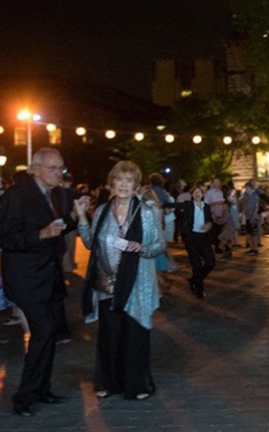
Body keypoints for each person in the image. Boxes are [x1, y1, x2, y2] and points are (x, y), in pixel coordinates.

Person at [0, 147, 82, 416]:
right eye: (53, 168)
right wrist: (40, 234)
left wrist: (73, 219)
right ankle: (24, 397)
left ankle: (42, 390)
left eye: (61, 168)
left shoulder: (54, 194)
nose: (59, 173)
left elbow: (54, 228)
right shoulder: (17, 195)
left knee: (48, 335)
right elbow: (5, 238)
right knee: (44, 332)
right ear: (35, 169)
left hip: (47, 275)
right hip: (25, 278)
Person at [76, 161, 165, 401]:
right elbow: (89, 243)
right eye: (120, 180)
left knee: (134, 335)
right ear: (112, 183)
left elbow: (159, 246)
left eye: (129, 181)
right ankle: (108, 382)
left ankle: (137, 385)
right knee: (109, 335)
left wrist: (142, 248)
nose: (124, 185)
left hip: (136, 285)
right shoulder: (102, 211)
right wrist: (82, 217)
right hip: (107, 285)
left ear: (136, 186)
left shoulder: (145, 212)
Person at [172, 184, 215, 299]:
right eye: (194, 192)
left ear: (202, 194)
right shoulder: (188, 205)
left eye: (199, 192)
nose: (197, 194)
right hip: (191, 238)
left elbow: (210, 220)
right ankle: (199, 290)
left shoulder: (206, 207)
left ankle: (194, 279)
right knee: (196, 265)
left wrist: (208, 225)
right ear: (191, 195)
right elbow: (174, 205)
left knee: (211, 263)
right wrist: (158, 203)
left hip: (204, 238)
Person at [241, 179, 262, 254]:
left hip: (253, 216)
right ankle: (252, 248)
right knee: (250, 232)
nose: (245, 189)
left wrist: (254, 216)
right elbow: (245, 203)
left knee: (254, 233)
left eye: (246, 188)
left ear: (249, 188)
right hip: (248, 215)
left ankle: (255, 248)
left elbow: (256, 206)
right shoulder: (246, 194)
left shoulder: (254, 195)